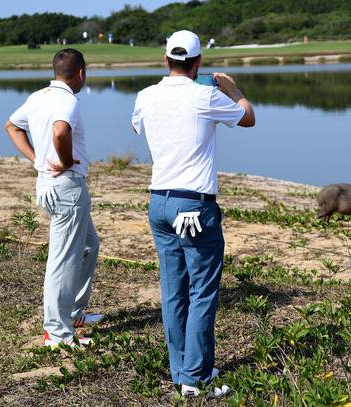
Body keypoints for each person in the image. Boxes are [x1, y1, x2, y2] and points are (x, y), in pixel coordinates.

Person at [131, 30, 255, 397]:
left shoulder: (145, 96)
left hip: (159, 203)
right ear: (198, 63)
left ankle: (180, 369)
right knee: (202, 290)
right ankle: (196, 377)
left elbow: (137, 126)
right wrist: (233, 90)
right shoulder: (206, 95)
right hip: (194, 205)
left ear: (165, 59)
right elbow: (247, 119)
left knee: (173, 290)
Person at [5, 49, 102, 347]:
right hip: (66, 187)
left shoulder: (38, 97)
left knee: (89, 244)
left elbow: (12, 125)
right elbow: (60, 132)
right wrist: (66, 160)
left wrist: (36, 159)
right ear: (81, 74)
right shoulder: (67, 101)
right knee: (63, 260)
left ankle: (73, 312)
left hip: (46, 184)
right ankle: (57, 334)